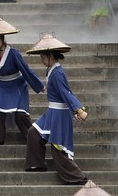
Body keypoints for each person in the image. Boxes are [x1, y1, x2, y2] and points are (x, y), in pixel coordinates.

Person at [25, 33, 88, 185]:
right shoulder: (51, 70)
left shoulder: (58, 73)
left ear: (51, 56)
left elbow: (66, 93)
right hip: (52, 112)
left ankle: (77, 176)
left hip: (59, 114)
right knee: (34, 132)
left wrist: (78, 110)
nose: (41, 60)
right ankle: (37, 164)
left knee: (57, 147)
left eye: (43, 57)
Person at [0, 16, 43, 145]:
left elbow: (25, 69)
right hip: (1, 84)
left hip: (17, 84)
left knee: (20, 114)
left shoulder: (13, 53)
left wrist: (38, 85)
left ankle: (32, 138)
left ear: (2, 39)